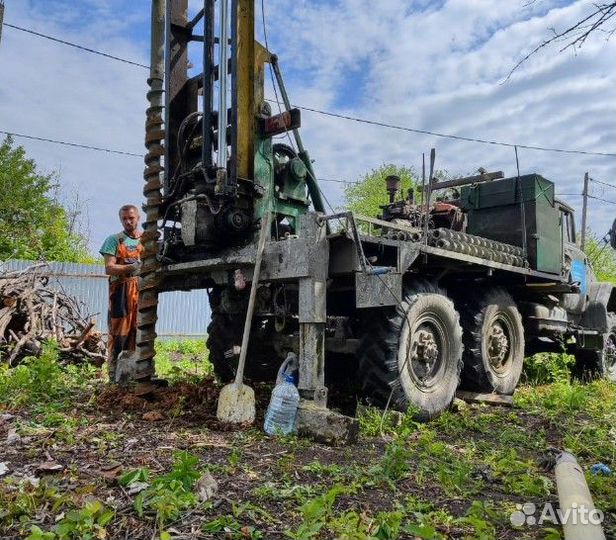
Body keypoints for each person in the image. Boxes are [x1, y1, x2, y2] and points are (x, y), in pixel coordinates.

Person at [99, 204, 143, 383]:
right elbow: (109, 268)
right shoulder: (114, 240)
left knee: (138, 332)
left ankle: (136, 374)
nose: (127, 221)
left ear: (138, 218)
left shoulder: (147, 240)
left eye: (131, 218)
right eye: (124, 218)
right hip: (120, 293)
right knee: (119, 334)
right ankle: (114, 376)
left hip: (141, 290)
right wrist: (131, 267)